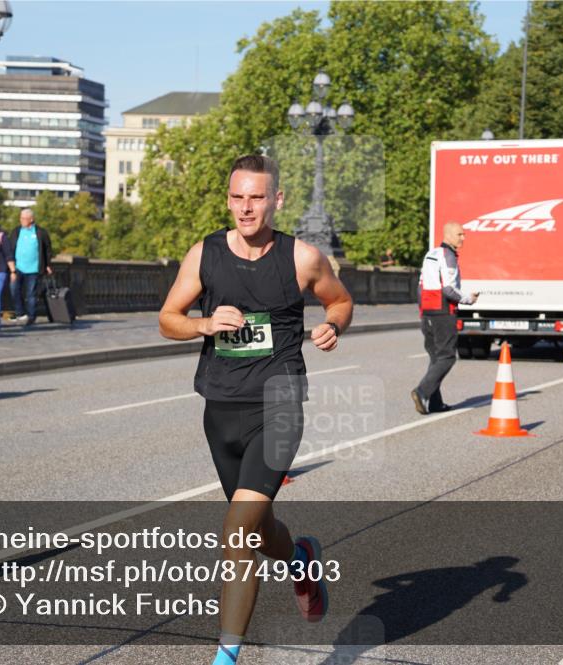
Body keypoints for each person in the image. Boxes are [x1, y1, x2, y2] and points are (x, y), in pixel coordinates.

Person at [158, 154, 353, 665]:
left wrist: (334, 324)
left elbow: (340, 300)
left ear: (277, 200)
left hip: (280, 402)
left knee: (236, 530)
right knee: (257, 528)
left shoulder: (302, 258)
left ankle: (226, 657)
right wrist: (203, 325)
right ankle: (301, 561)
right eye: (237, 197)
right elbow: (167, 319)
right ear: (228, 199)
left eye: (257, 197)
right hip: (220, 408)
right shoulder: (204, 255)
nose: (246, 208)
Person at [411, 222, 478, 414]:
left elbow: (420, 286)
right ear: (448, 235)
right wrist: (468, 299)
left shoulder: (430, 254)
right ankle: (421, 392)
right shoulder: (449, 256)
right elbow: (448, 289)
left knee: (435, 358)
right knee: (447, 357)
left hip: (428, 312)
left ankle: (435, 403)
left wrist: (423, 312)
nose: (463, 238)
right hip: (443, 312)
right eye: (460, 234)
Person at [9, 208, 53, 326]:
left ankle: (31, 316)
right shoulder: (16, 231)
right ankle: (20, 313)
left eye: (24, 218)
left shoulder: (40, 232)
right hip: (17, 268)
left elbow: (48, 249)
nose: (21, 220)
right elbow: (10, 248)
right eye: (21, 218)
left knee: (31, 294)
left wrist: (48, 264)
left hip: (34, 269)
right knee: (14, 290)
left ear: (31, 219)